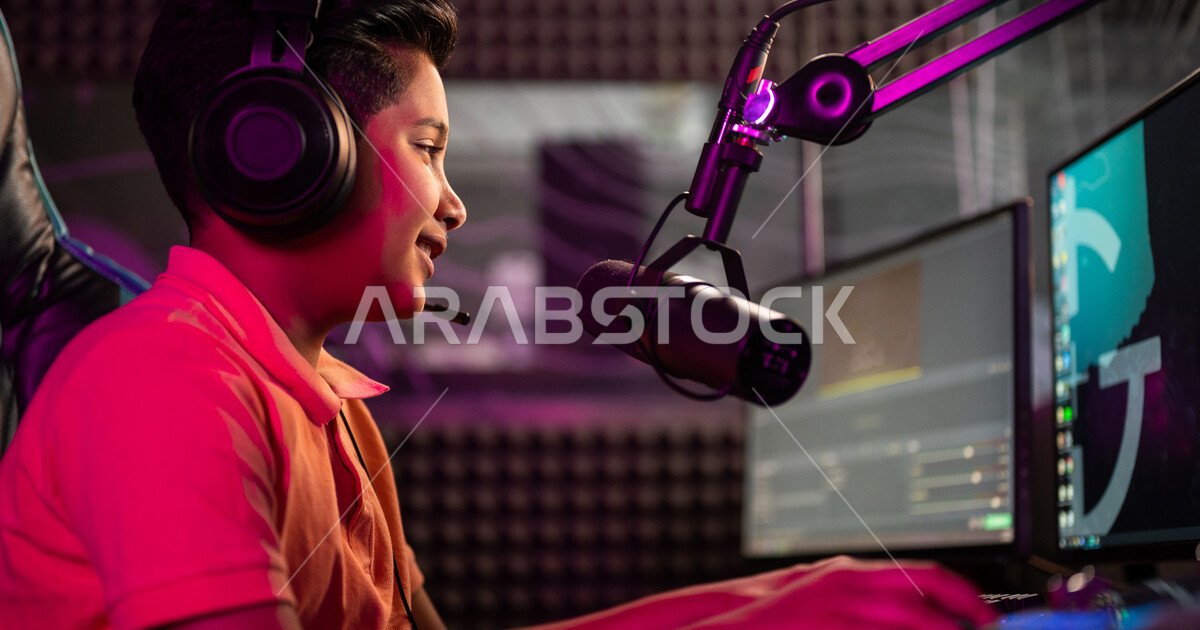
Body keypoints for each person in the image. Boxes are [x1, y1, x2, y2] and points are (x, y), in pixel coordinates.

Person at [0, 1, 997, 629]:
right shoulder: (164, 382)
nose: (454, 201)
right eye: (429, 147)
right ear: (286, 151)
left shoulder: (322, 401)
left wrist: (757, 604)